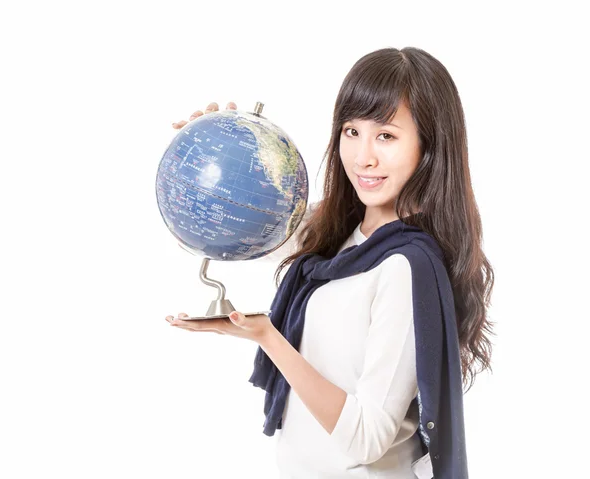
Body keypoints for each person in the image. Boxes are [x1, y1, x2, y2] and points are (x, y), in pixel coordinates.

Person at [166, 46, 495, 479]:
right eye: (351, 131)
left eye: (386, 135)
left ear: (429, 146)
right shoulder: (335, 232)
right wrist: (209, 156)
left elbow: (367, 438)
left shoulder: (405, 268)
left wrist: (268, 337)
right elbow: (244, 224)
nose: (363, 157)